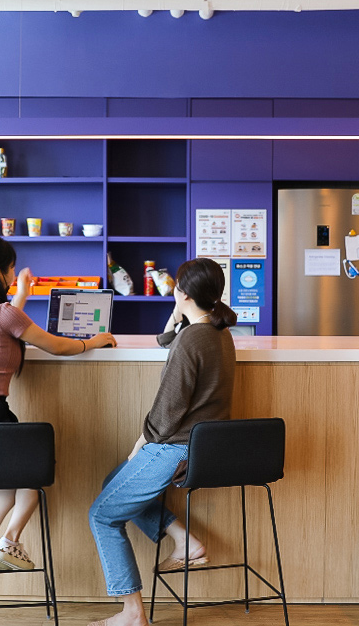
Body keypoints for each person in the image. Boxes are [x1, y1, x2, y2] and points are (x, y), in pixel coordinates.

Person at [0, 232, 117, 572]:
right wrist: (93, 341)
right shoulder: (5, 314)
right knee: (35, 470)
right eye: (10, 269)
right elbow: (56, 346)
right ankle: (9, 542)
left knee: (9, 478)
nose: (12, 275)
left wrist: (21, 292)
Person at [86, 258, 237, 626]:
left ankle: (133, 614)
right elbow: (167, 341)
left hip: (176, 449)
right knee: (113, 483)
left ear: (182, 291)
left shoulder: (194, 339)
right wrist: (177, 313)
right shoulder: (218, 332)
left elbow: (168, 412)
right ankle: (184, 538)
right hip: (203, 447)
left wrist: (141, 443)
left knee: (102, 516)